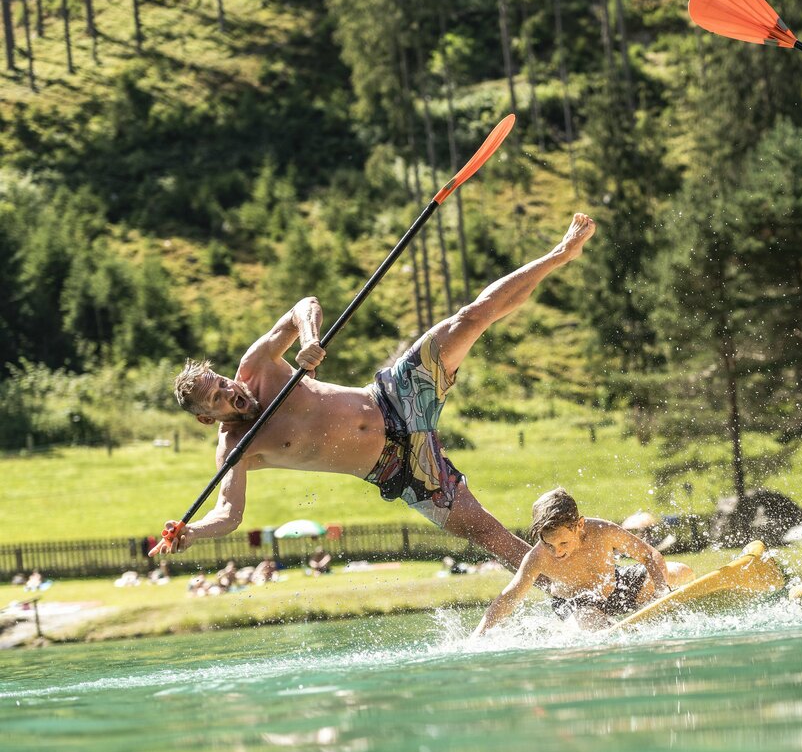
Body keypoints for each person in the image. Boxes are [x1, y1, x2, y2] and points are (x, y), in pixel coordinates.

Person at [153, 214, 598, 568]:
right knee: (492, 537)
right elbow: (228, 515)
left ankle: (561, 254)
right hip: (400, 468)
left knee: (471, 316)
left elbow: (304, 306)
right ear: (206, 417)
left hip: (395, 396)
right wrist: (192, 533)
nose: (231, 392)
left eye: (223, 383)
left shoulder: (256, 366)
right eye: (217, 398)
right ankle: (573, 592)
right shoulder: (235, 450)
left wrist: (309, 339)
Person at [472, 488, 695, 635]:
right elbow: (510, 596)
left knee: (682, 572)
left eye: (563, 544)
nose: (556, 552)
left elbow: (649, 555)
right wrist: (479, 634)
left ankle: (658, 600)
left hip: (616, 586)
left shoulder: (603, 531)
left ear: (579, 525)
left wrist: (661, 594)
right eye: (549, 544)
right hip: (577, 604)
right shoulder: (537, 557)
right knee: (597, 630)